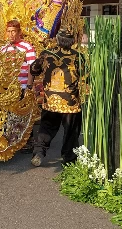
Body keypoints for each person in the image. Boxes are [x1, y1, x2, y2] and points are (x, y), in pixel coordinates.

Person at [29, 29, 85, 167]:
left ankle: (39, 152)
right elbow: (86, 77)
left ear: (58, 40)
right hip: (70, 101)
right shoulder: (78, 57)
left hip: (51, 99)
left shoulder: (47, 54)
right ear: (73, 41)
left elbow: (34, 69)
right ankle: (68, 158)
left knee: (47, 126)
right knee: (71, 130)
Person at [0, 19, 36, 153]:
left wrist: (29, 86)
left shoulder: (27, 47)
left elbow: (33, 68)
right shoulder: (3, 48)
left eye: (13, 31)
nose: (11, 35)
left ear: (19, 32)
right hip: (7, 88)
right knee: (9, 115)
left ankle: (27, 141)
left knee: (23, 115)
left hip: (22, 86)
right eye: (8, 32)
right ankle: (11, 140)